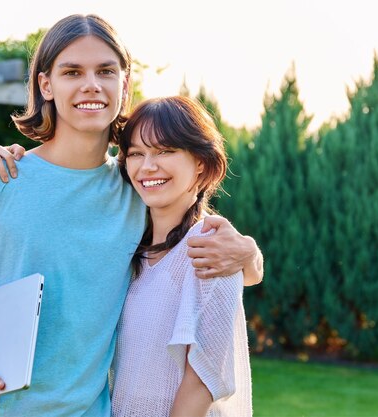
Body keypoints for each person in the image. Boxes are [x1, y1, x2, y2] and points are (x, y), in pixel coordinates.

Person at [0, 14, 262, 417]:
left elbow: (198, 251)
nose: (91, 85)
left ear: (124, 84)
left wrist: (247, 253)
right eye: (72, 71)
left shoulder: (135, 188)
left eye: (105, 71)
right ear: (46, 84)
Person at [110, 96, 252, 417]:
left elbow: (201, 379)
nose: (148, 166)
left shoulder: (211, 248)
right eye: (136, 153)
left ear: (200, 162)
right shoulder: (130, 252)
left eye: (165, 151)